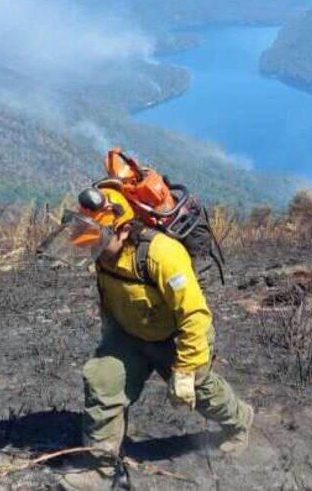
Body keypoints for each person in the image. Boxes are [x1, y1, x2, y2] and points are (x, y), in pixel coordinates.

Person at [60, 186, 253, 488]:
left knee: (200, 393)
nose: (89, 242)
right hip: (129, 334)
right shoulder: (103, 252)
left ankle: (240, 423)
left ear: (123, 230)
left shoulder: (162, 253)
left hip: (177, 337)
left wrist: (186, 370)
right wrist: (109, 343)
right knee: (102, 381)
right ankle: (101, 469)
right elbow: (108, 300)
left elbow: (195, 316)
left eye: (97, 234)